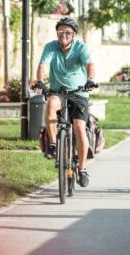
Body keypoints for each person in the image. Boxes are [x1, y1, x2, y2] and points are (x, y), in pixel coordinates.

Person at [32, 17, 98, 188]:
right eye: (61, 31)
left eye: (68, 32)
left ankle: (82, 169)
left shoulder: (81, 47)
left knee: (79, 127)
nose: (64, 35)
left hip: (79, 93)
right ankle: (53, 145)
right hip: (58, 92)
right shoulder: (51, 47)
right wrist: (40, 81)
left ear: (74, 34)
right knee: (51, 103)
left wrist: (90, 79)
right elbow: (43, 65)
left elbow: (89, 64)